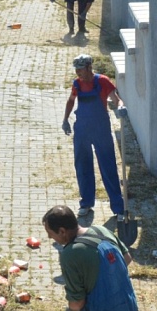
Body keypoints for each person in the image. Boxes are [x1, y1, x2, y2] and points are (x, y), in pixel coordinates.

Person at [61, 54, 125, 220]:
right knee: (83, 166)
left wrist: (121, 107)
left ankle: (118, 208)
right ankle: (86, 203)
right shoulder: (77, 84)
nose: (78, 73)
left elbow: (115, 99)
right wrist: (65, 120)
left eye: (81, 69)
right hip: (82, 128)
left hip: (100, 129)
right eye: (76, 70)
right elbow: (71, 100)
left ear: (89, 67)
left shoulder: (102, 81)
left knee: (108, 166)